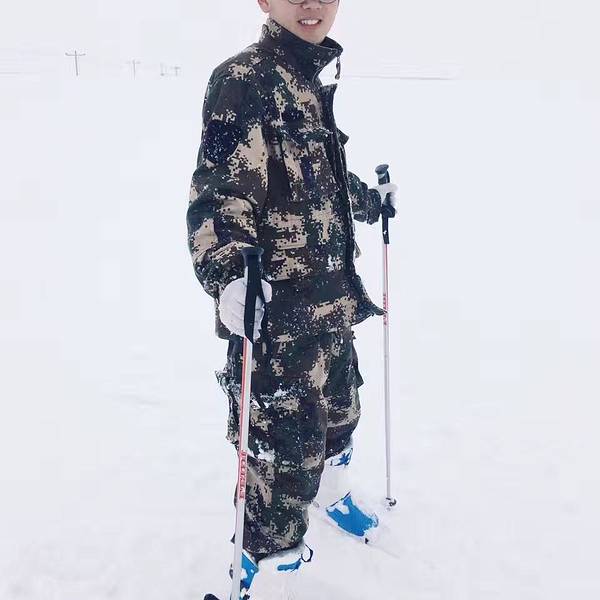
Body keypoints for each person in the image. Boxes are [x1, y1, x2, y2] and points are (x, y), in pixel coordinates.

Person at [186, 1, 397, 597]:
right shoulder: (243, 80)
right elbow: (220, 194)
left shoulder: (307, 79)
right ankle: (257, 566)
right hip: (277, 325)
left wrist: (369, 201)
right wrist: (229, 273)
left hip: (332, 304)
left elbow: (321, 178)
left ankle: (333, 496)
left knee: (340, 420)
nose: (311, 4)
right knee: (279, 464)